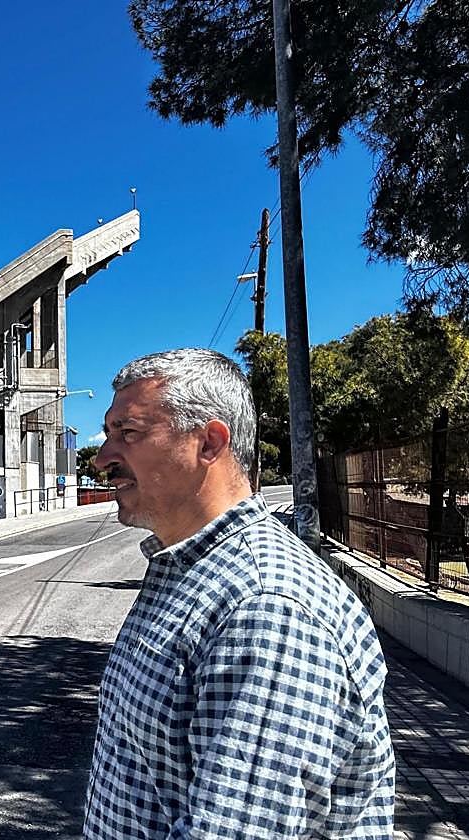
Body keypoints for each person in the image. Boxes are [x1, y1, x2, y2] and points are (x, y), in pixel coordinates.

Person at [83, 348, 394, 838]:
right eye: (107, 435)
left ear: (209, 443)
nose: (104, 459)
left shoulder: (264, 607)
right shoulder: (193, 572)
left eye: (129, 433)